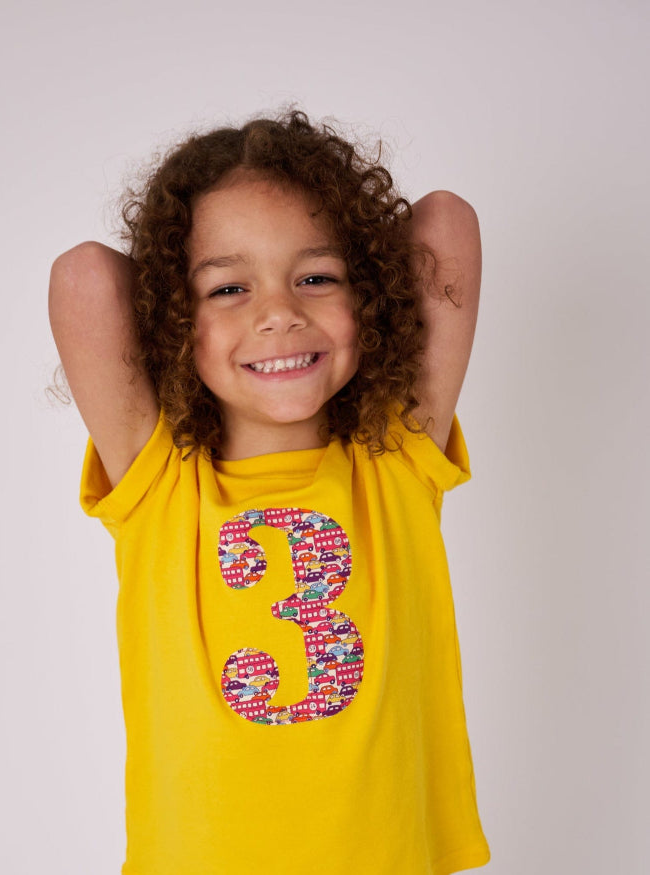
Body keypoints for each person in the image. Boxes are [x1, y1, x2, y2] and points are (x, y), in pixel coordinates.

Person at [48, 109, 490, 874]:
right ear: (173, 318)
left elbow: (445, 223)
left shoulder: (395, 457)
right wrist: (168, 300)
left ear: (370, 295)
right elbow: (86, 276)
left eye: (316, 277)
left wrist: (331, 267)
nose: (279, 313)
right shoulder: (159, 484)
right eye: (228, 288)